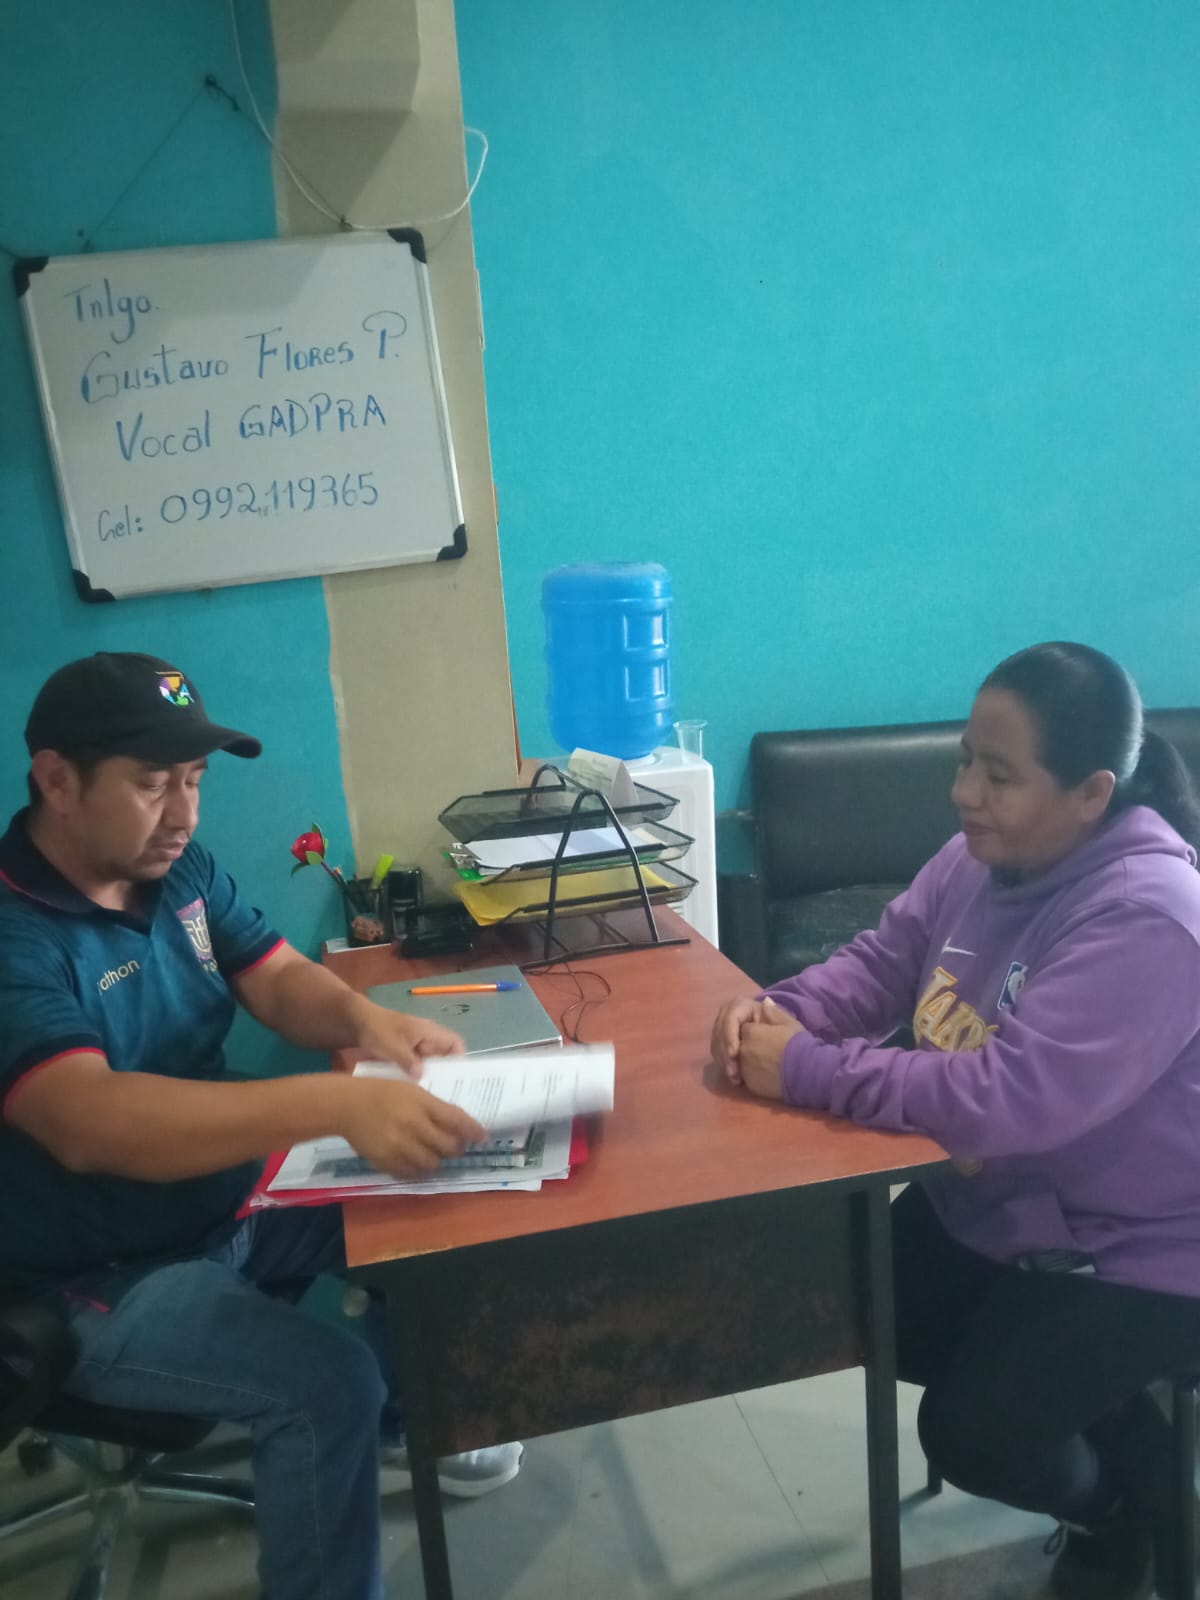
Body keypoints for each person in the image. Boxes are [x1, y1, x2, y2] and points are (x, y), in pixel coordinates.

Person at [0, 651, 523, 1600]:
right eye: (153, 784)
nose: (185, 814)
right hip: (96, 1271)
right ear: (57, 781)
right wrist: (336, 1103)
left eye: (194, 781)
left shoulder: (176, 870)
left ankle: (399, 1420)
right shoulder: (13, 932)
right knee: (326, 1386)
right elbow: (89, 1121)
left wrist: (367, 1023)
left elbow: (275, 976)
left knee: (439, 1204)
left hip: (231, 1192)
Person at [711, 642, 1200, 1600]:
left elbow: (1004, 1099)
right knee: (867, 1309)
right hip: (1009, 1203)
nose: (965, 793)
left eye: (999, 775)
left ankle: (1122, 1512)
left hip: (1141, 1247)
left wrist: (805, 1068)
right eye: (966, 760)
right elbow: (880, 964)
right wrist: (778, 1013)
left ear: (1092, 794)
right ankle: (1128, 1440)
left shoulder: (1150, 917)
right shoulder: (981, 857)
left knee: (972, 1432)